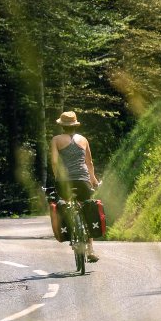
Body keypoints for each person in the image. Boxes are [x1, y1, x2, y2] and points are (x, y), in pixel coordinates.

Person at [50, 111, 102, 262]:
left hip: (64, 181)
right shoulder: (83, 140)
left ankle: (72, 232)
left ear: (62, 126)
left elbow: (54, 161)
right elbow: (89, 163)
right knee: (87, 208)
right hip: (83, 180)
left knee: (64, 205)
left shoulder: (56, 140)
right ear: (75, 125)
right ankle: (91, 249)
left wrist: (57, 177)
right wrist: (93, 180)